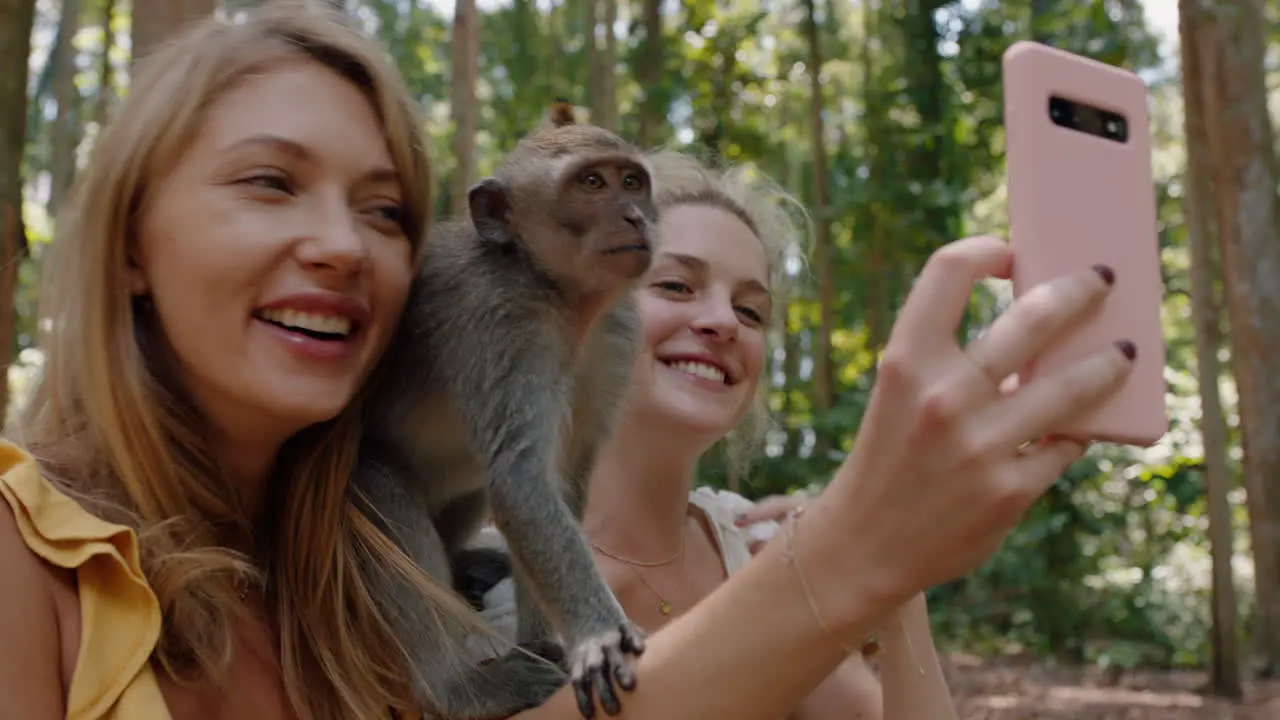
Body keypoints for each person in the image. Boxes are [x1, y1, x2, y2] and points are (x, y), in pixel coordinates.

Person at [0, 2, 1138, 719]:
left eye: (385, 208)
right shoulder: (34, 554)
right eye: (267, 182)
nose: (340, 245)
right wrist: (854, 552)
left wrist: (885, 580)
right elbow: (527, 489)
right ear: (131, 240)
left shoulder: (334, 577)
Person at [575, 150, 959, 719]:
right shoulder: (493, 579)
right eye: (678, 286)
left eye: (750, 311)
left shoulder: (746, 548)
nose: (725, 322)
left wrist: (897, 591)